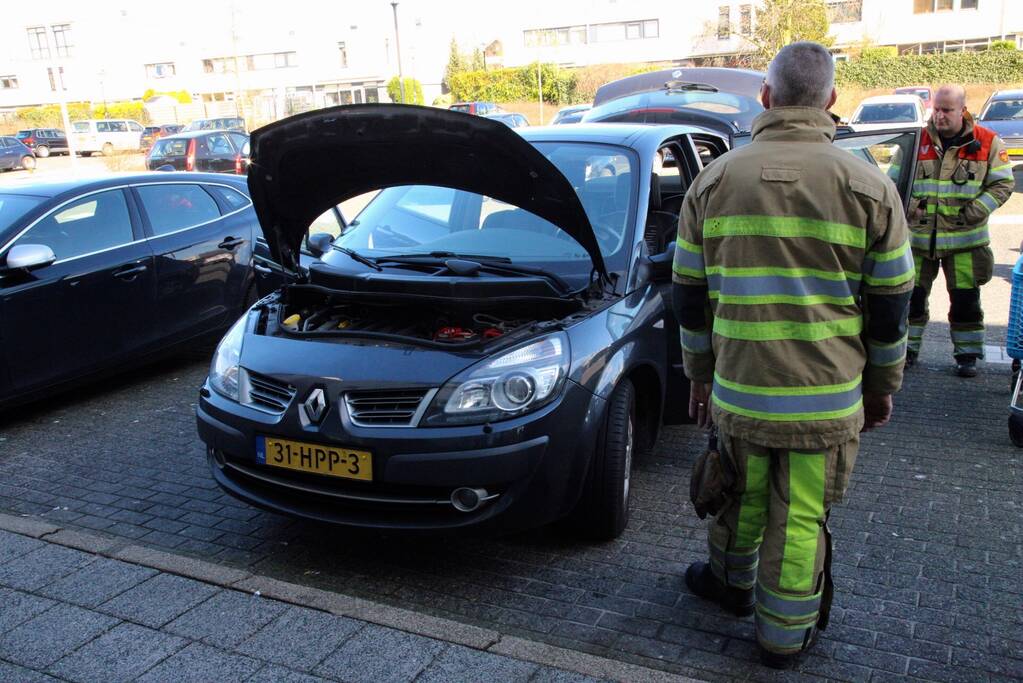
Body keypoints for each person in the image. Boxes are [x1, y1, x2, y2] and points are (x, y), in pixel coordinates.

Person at [671, 42, 913, 669]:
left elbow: (689, 298)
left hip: (740, 392)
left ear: (766, 98)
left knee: (739, 497)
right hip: (825, 401)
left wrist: (699, 377)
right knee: (799, 517)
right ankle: (781, 639)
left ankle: (728, 585)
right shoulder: (870, 185)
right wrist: (882, 386)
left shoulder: (713, 180)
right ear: (831, 101)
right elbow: (891, 306)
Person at [906, 85, 1015, 376]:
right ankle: (907, 352)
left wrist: (977, 209)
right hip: (919, 239)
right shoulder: (917, 141)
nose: (939, 116)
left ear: (962, 110)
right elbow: (895, 182)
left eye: (947, 110)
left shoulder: (988, 142)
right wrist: (911, 206)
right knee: (912, 298)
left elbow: (1003, 184)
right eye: (936, 109)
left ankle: (967, 356)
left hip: (965, 241)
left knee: (966, 301)